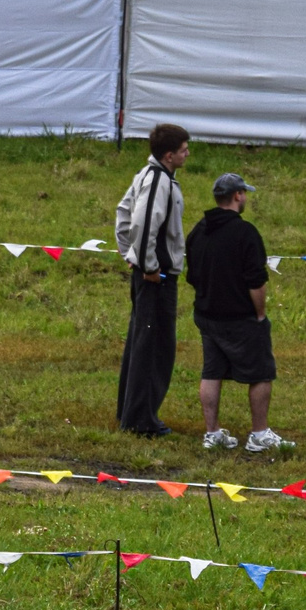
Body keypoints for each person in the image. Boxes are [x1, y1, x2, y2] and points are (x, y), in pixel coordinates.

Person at [186, 173, 292, 453]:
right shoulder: (246, 233)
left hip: (206, 314)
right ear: (237, 196)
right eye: (244, 193)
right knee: (261, 373)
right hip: (240, 317)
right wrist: (259, 315)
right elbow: (256, 280)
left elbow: (192, 275)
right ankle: (259, 434)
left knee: (211, 371)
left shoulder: (199, 229)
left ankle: (212, 433)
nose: (245, 197)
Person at [113, 122, 188, 436]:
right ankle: (141, 419)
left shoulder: (148, 176)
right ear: (169, 155)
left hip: (149, 273)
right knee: (153, 347)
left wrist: (126, 252)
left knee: (142, 343)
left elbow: (123, 214)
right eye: (184, 150)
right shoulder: (158, 181)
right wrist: (148, 265)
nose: (188, 154)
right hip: (156, 279)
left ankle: (131, 412)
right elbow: (143, 224)